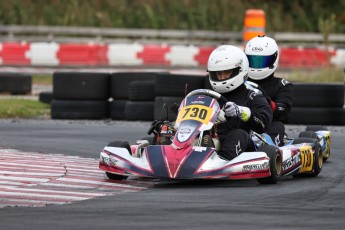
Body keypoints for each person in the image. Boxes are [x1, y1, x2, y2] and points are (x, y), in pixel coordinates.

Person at [207, 45, 273, 161]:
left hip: (244, 145)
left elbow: (264, 124)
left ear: (240, 70)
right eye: (218, 73)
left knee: (238, 134)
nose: (222, 77)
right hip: (211, 141)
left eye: (226, 72)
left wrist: (241, 111)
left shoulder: (252, 96)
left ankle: (222, 161)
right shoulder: (209, 96)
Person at [244, 35, 293, 146]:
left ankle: (266, 147)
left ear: (273, 59)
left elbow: (283, 111)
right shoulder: (239, 82)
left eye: (261, 61)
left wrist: (267, 104)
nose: (256, 66)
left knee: (278, 126)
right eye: (252, 60)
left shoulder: (283, 85)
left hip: (268, 126)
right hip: (243, 122)